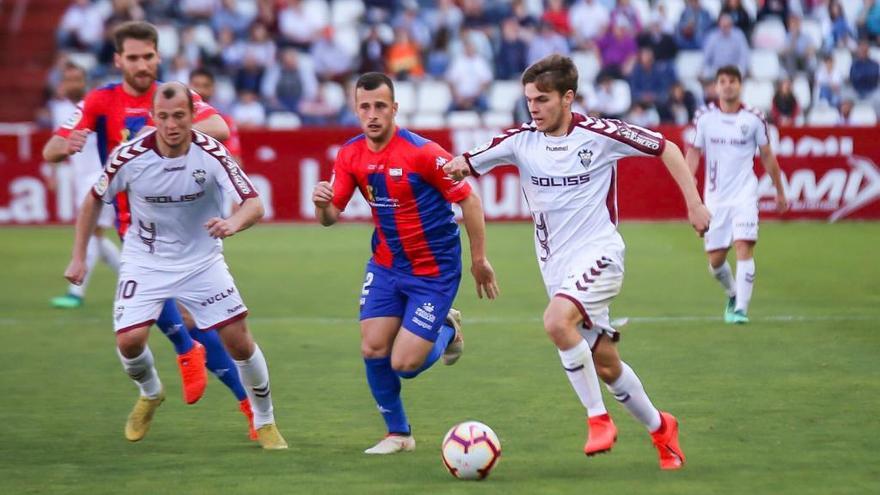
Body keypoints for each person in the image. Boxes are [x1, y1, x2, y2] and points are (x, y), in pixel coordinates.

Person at [442, 54, 711, 470]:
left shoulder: (599, 134)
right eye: (529, 99)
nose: (533, 107)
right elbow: (461, 164)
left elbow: (668, 148)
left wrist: (694, 203)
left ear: (568, 98)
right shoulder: (519, 141)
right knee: (605, 362)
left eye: (543, 99)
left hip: (601, 254)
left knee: (555, 322)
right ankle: (662, 429)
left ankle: (598, 420)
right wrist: (453, 168)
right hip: (558, 269)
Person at [42, 21, 256, 437]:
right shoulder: (101, 100)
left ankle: (213, 378)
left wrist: (166, 128)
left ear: (158, 57)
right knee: (158, 327)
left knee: (197, 323)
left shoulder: (171, 99)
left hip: (191, 227)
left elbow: (221, 128)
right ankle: (206, 375)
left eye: (148, 56)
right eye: (133, 57)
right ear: (118, 59)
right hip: (137, 227)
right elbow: (53, 146)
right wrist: (64, 146)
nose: (141, 65)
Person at [62, 82, 287, 450]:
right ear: (153, 117)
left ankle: (266, 421)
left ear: (193, 116)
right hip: (145, 259)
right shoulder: (129, 155)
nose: (171, 125)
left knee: (239, 342)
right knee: (129, 342)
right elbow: (92, 201)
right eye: (163, 117)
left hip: (201, 260)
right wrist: (78, 256)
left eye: (179, 116)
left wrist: (232, 224)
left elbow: (253, 203)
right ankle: (150, 392)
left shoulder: (212, 152)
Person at [312, 72, 499, 455]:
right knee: (373, 349)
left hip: (433, 271)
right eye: (365, 106)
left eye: (380, 106)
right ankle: (399, 434)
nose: (373, 114)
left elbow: (471, 201)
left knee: (405, 364)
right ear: (355, 109)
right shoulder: (350, 154)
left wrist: (479, 259)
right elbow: (331, 216)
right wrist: (320, 204)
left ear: (394, 108)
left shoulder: (423, 152)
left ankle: (448, 329)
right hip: (386, 265)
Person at [685, 66, 788, 324]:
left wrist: (780, 192)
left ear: (740, 85)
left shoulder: (754, 118)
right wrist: (691, 197)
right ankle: (732, 293)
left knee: (744, 245)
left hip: (745, 194)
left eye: (732, 81)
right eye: (723, 81)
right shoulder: (705, 117)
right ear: (716, 86)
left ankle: (741, 309)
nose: (728, 85)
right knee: (716, 261)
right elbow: (694, 153)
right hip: (716, 198)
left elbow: (767, 156)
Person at [48, 63, 122, 310]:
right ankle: (135, 280)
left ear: (84, 82)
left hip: (100, 178)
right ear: (61, 84)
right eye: (68, 80)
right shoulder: (60, 111)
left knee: (92, 234)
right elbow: (57, 145)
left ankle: (75, 292)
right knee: (96, 238)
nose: (73, 85)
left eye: (77, 79)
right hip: (81, 179)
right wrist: (54, 171)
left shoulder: (96, 107)